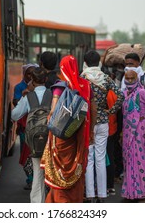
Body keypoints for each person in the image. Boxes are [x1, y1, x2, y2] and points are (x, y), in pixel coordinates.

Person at [40, 55, 97, 203]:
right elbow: (93, 109)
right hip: (80, 137)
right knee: (77, 172)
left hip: (62, 139)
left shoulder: (60, 87)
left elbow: (53, 113)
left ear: (62, 68)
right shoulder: (87, 85)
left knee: (61, 172)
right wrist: (90, 131)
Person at [81, 50, 124, 203]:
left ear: (85, 62)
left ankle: (90, 195)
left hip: (88, 123)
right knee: (100, 158)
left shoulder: (83, 78)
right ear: (98, 62)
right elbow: (120, 95)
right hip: (103, 121)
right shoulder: (105, 78)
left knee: (89, 158)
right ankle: (102, 194)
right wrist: (110, 111)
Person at [11, 67, 51, 203]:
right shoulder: (53, 95)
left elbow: (14, 115)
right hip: (51, 140)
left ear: (32, 81)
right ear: (46, 80)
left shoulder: (28, 96)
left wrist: (24, 96)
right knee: (52, 173)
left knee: (38, 173)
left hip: (35, 141)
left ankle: (37, 205)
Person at [121, 69, 145, 203]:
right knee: (128, 161)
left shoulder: (141, 92)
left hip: (140, 129)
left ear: (137, 79)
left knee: (139, 162)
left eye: (132, 78)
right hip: (127, 132)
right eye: (127, 78)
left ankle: (142, 194)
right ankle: (130, 193)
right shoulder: (125, 93)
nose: (129, 81)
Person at [13, 63, 38, 190]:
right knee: (25, 154)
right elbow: (16, 103)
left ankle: (37, 179)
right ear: (24, 74)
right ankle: (30, 179)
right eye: (28, 73)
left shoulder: (39, 87)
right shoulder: (20, 87)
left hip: (37, 126)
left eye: (32, 74)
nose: (30, 76)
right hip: (24, 126)